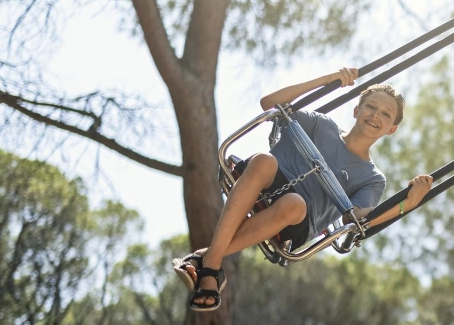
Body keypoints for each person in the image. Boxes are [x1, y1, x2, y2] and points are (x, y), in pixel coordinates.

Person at [172, 68, 433, 311]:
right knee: (264, 160)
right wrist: (327, 80)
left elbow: (359, 219)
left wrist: (406, 205)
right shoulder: (321, 125)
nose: (376, 115)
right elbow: (269, 103)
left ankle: (207, 260)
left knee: (294, 203)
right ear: (356, 110)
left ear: (392, 129)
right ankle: (212, 266)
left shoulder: (372, 178)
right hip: (264, 180)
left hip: (297, 220)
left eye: (386, 114)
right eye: (371, 106)